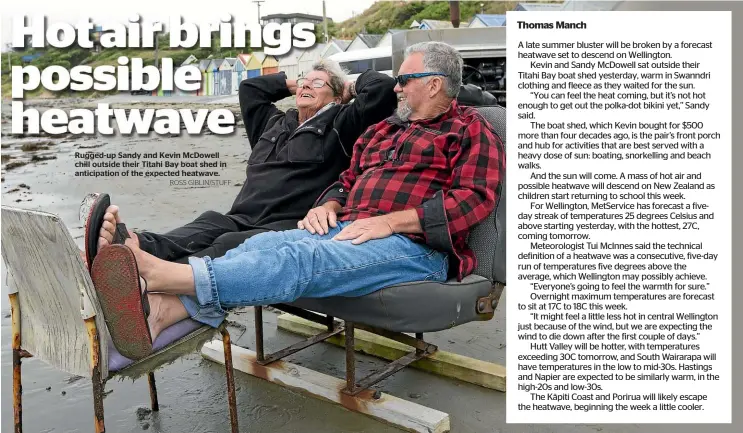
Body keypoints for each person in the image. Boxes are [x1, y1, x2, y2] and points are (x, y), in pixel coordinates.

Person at [89, 41, 506, 361]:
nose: (397, 86)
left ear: (434, 84)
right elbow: (348, 180)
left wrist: (392, 222)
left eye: (405, 79)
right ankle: (161, 312)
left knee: (295, 260)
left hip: (415, 248)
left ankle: (158, 276)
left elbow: (473, 200)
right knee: (262, 245)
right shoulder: (385, 132)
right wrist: (328, 205)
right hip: (348, 229)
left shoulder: (469, 130)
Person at [82, 59, 398, 269]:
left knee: (226, 245)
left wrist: (349, 87)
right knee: (204, 226)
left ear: (336, 96)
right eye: (303, 81)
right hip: (241, 215)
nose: (304, 86)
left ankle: (148, 277)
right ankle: (128, 246)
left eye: (316, 84)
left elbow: (382, 90)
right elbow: (250, 89)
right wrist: (295, 82)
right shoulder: (274, 123)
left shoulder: (343, 125)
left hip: (287, 224)